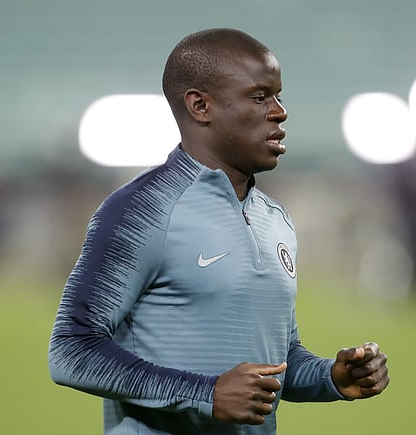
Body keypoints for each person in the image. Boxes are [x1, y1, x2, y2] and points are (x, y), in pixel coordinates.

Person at [48, 28, 389, 434]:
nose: (279, 112)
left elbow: (278, 358)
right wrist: (204, 393)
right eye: (259, 97)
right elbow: (71, 349)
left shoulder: (274, 219)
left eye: (278, 97)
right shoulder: (142, 210)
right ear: (200, 106)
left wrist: (330, 378)